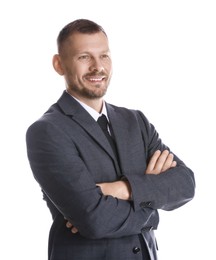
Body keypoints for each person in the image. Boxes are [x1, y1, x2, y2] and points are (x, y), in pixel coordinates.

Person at [26, 19, 195, 260]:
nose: (98, 67)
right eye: (84, 57)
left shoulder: (136, 121)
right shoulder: (47, 131)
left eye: (104, 56)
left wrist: (123, 189)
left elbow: (185, 184)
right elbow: (94, 220)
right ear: (59, 64)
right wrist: (152, 205)